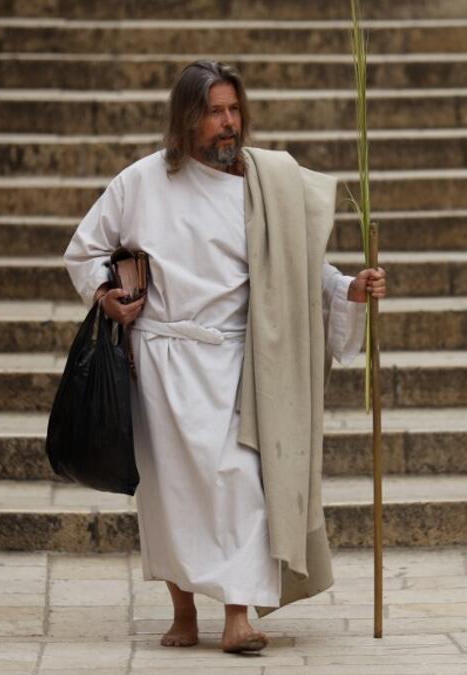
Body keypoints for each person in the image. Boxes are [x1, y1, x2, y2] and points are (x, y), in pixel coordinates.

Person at [63, 60, 387, 654]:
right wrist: (108, 299)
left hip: (239, 360)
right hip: (161, 360)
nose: (228, 123)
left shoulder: (260, 186)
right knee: (167, 496)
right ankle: (184, 614)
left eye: (235, 110)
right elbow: (83, 252)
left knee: (241, 483)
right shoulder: (140, 182)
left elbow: (293, 262)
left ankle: (238, 614)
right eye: (215, 112)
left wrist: (348, 288)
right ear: (187, 118)